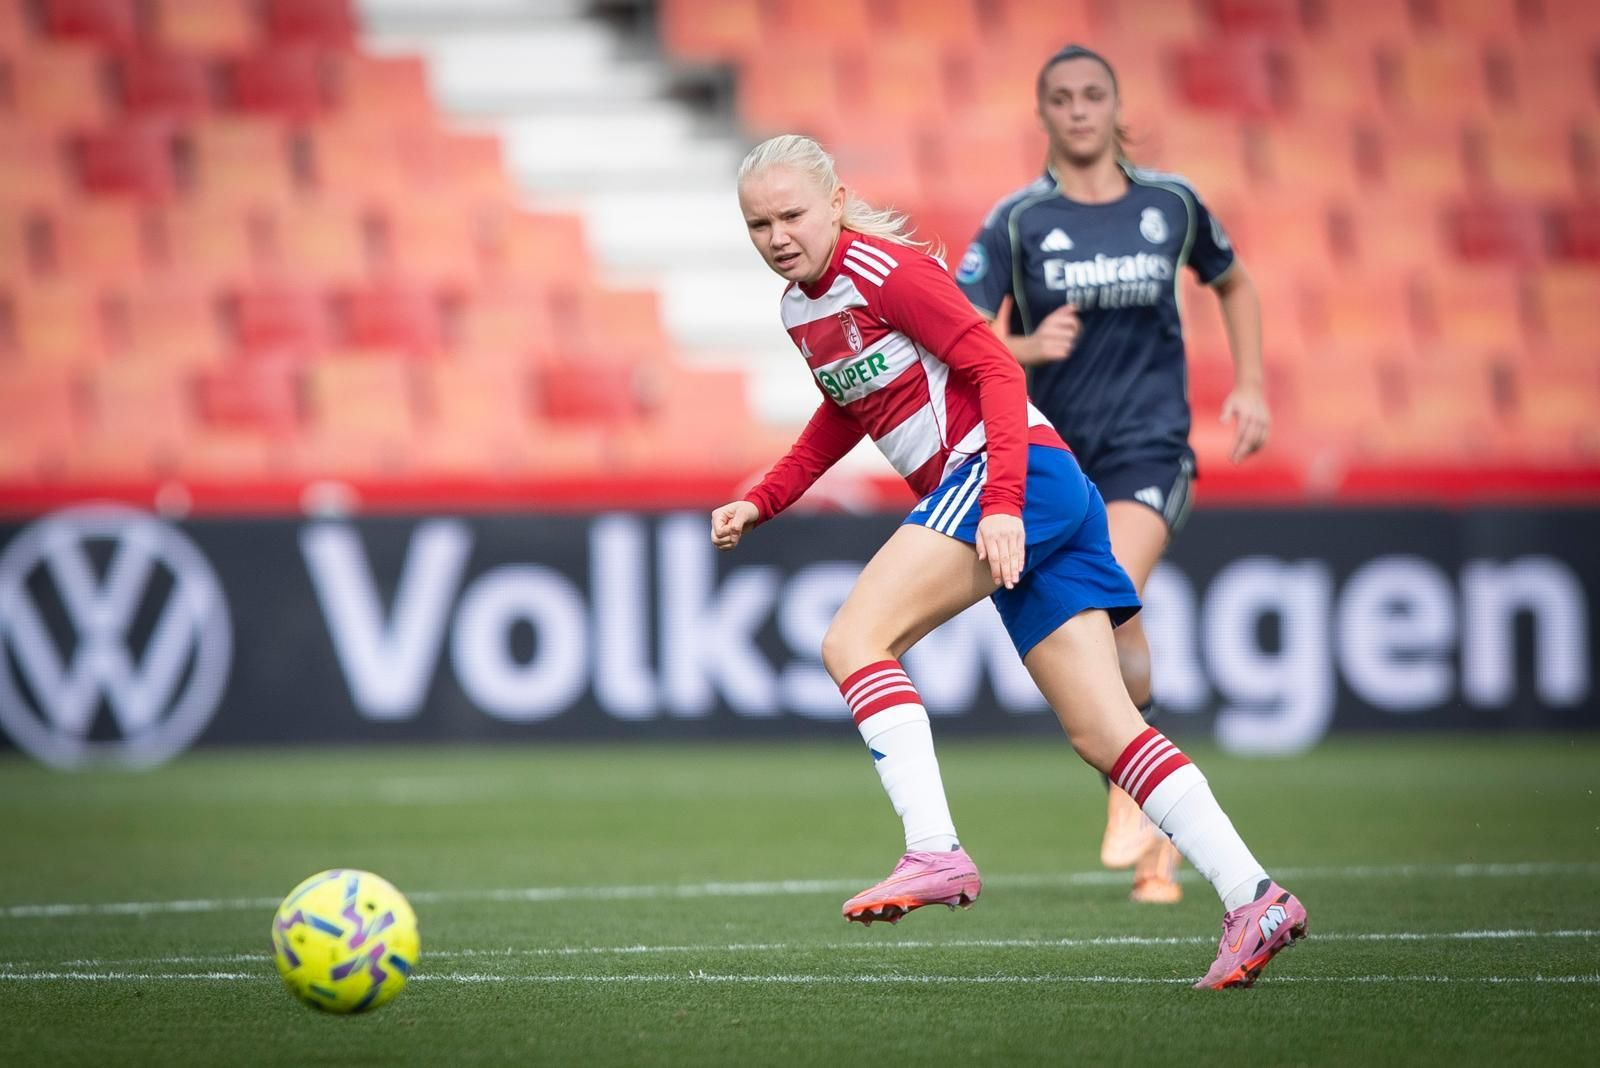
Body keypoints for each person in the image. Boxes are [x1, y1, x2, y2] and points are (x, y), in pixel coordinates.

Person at [713, 133, 1304, 989]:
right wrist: (764, 497)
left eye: (791, 214)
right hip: (1039, 486)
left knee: (853, 640)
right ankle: (1257, 896)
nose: (776, 236)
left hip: (1007, 474)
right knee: (1105, 732)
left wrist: (997, 505)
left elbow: (994, 366)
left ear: (836, 200)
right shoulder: (801, 308)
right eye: (757, 223)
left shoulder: (886, 273)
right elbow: (844, 410)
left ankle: (933, 850)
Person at [955, 44, 1271, 905]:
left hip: (1150, 451)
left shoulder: (1170, 204)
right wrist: (1022, 347)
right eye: (1061, 97)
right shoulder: (1018, 222)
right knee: (1117, 631)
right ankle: (1153, 824)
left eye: (1094, 94)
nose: (1079, 110)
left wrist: (1249, 383)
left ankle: (1130, 794)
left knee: (1100, 597)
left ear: (1115, 104)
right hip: (1059, 458)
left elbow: (1234, 284)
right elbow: (962, 335)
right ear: (1043, 113)